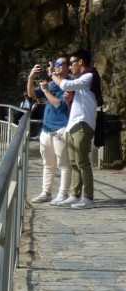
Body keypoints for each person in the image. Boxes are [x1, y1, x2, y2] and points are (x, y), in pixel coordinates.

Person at [50, 48, 100, 209]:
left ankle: (88, 197)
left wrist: (53, 74)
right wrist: (70, 99)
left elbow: (66, 84)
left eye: (72, 63)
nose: (70, 67)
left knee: (82, 161)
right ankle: (75, 194)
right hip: (74, 123)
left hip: (83, 123)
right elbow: (74, 96)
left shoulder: (90, 75)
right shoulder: (82, 80)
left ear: (81, 62)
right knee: (73, 162)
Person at [26, 57, 71, 204]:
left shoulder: (69, 84)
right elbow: (31, 95)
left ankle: (63, 193)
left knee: (63, 163)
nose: (56, 67)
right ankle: (46, 192)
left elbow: (59, 104)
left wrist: (45, 90)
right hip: (46, 128)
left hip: (61, 126)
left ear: (68, 67)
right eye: (55, 65)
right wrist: (31, 77)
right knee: (47, 163)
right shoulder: (51, 84)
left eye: (59, 64)